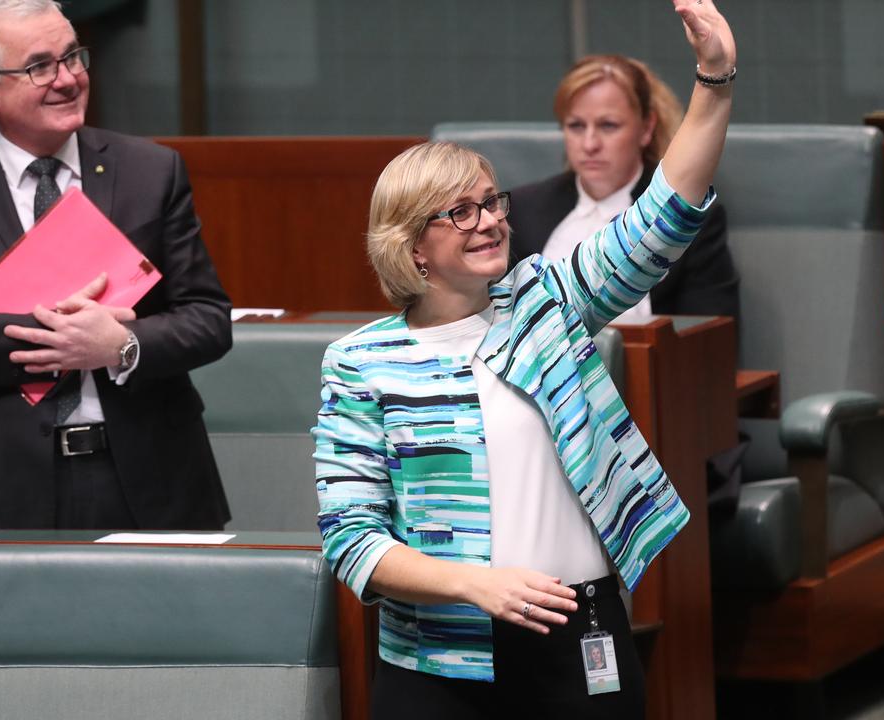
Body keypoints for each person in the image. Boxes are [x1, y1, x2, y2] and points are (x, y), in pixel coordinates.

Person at [312, 1, 734, 716]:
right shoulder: (363, 361)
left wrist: (715, 77)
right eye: (461, 212)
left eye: (491, 201)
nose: (491, 220)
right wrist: (475, 583)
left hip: (579, 629)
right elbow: (352, 538)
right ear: (412, 246)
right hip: (440, 655)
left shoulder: (547, 301)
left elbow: (666, 211)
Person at [0, 0, 233, 531]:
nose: (68, 79)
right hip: (3, 482)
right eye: (39, 66)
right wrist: (56, 336)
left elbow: (208, 318)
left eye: (73, 57)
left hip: (150, 473)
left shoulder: (150, 171)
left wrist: (121, 346)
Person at [509, 54, 738, 323]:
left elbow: (711, 336)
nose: (590, 144)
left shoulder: (683, 212)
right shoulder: (521, 209)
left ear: (646, 128)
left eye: (608, 126)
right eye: (576, 126)